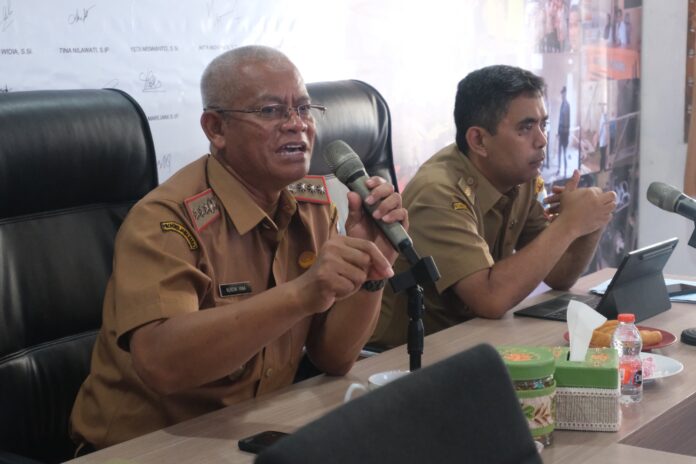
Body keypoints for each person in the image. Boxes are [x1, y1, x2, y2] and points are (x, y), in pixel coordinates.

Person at [69, 45, 407, 451]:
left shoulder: (311, 203)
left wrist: (371, 267)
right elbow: (162, 363)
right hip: (145, 448)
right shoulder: (167, 219)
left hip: (251, 432)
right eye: (270, 111)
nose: (296, 125)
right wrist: (301, 294)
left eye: (303, 108)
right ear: (216, 129)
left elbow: (334, 358)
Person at [370, 65, 616, 349]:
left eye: (543, 124)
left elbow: (559, 275)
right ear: (479, 140)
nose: (542, 140)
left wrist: (590, 221)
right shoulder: (437, 192)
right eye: (526, 127)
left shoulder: (520, 177)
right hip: (398, 360)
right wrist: (569, 224)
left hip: (470, 341)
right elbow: (490, 298)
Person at [556, 86, 570, 177]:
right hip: (561, 131)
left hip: (565, 132)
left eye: (563, 93)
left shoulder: (567, 105)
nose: (562, 95)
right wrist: (558, 131)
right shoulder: (562, 104)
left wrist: (567, 133)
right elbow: (560, 119)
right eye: (561, 93)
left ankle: (565, 170)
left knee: (564, 152)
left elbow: (567, 120)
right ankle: (559, 169)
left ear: (565, 93)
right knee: (559, 151)